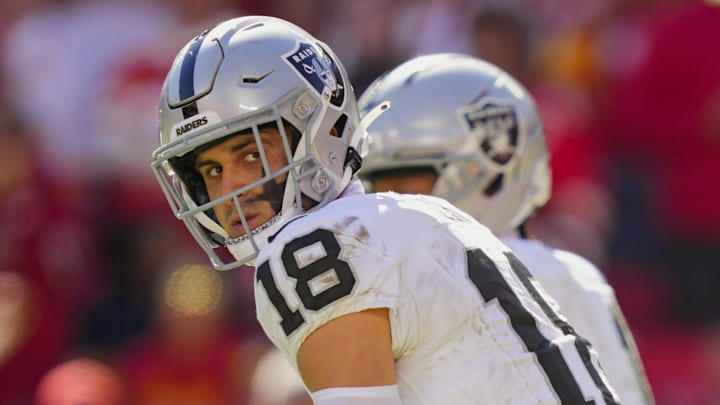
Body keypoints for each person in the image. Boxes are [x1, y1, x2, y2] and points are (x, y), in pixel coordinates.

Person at [151, 16, 621, 404]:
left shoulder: (315, 247)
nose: (230, 188)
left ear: (315, 129)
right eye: (210, 170)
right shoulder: (417, 219)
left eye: (251, 154)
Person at [357, 52, 654, 404]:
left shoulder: (548, 277)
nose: (387, 203)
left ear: (487, 170)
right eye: (373, 187)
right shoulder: (572, 278)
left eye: (404, 182)